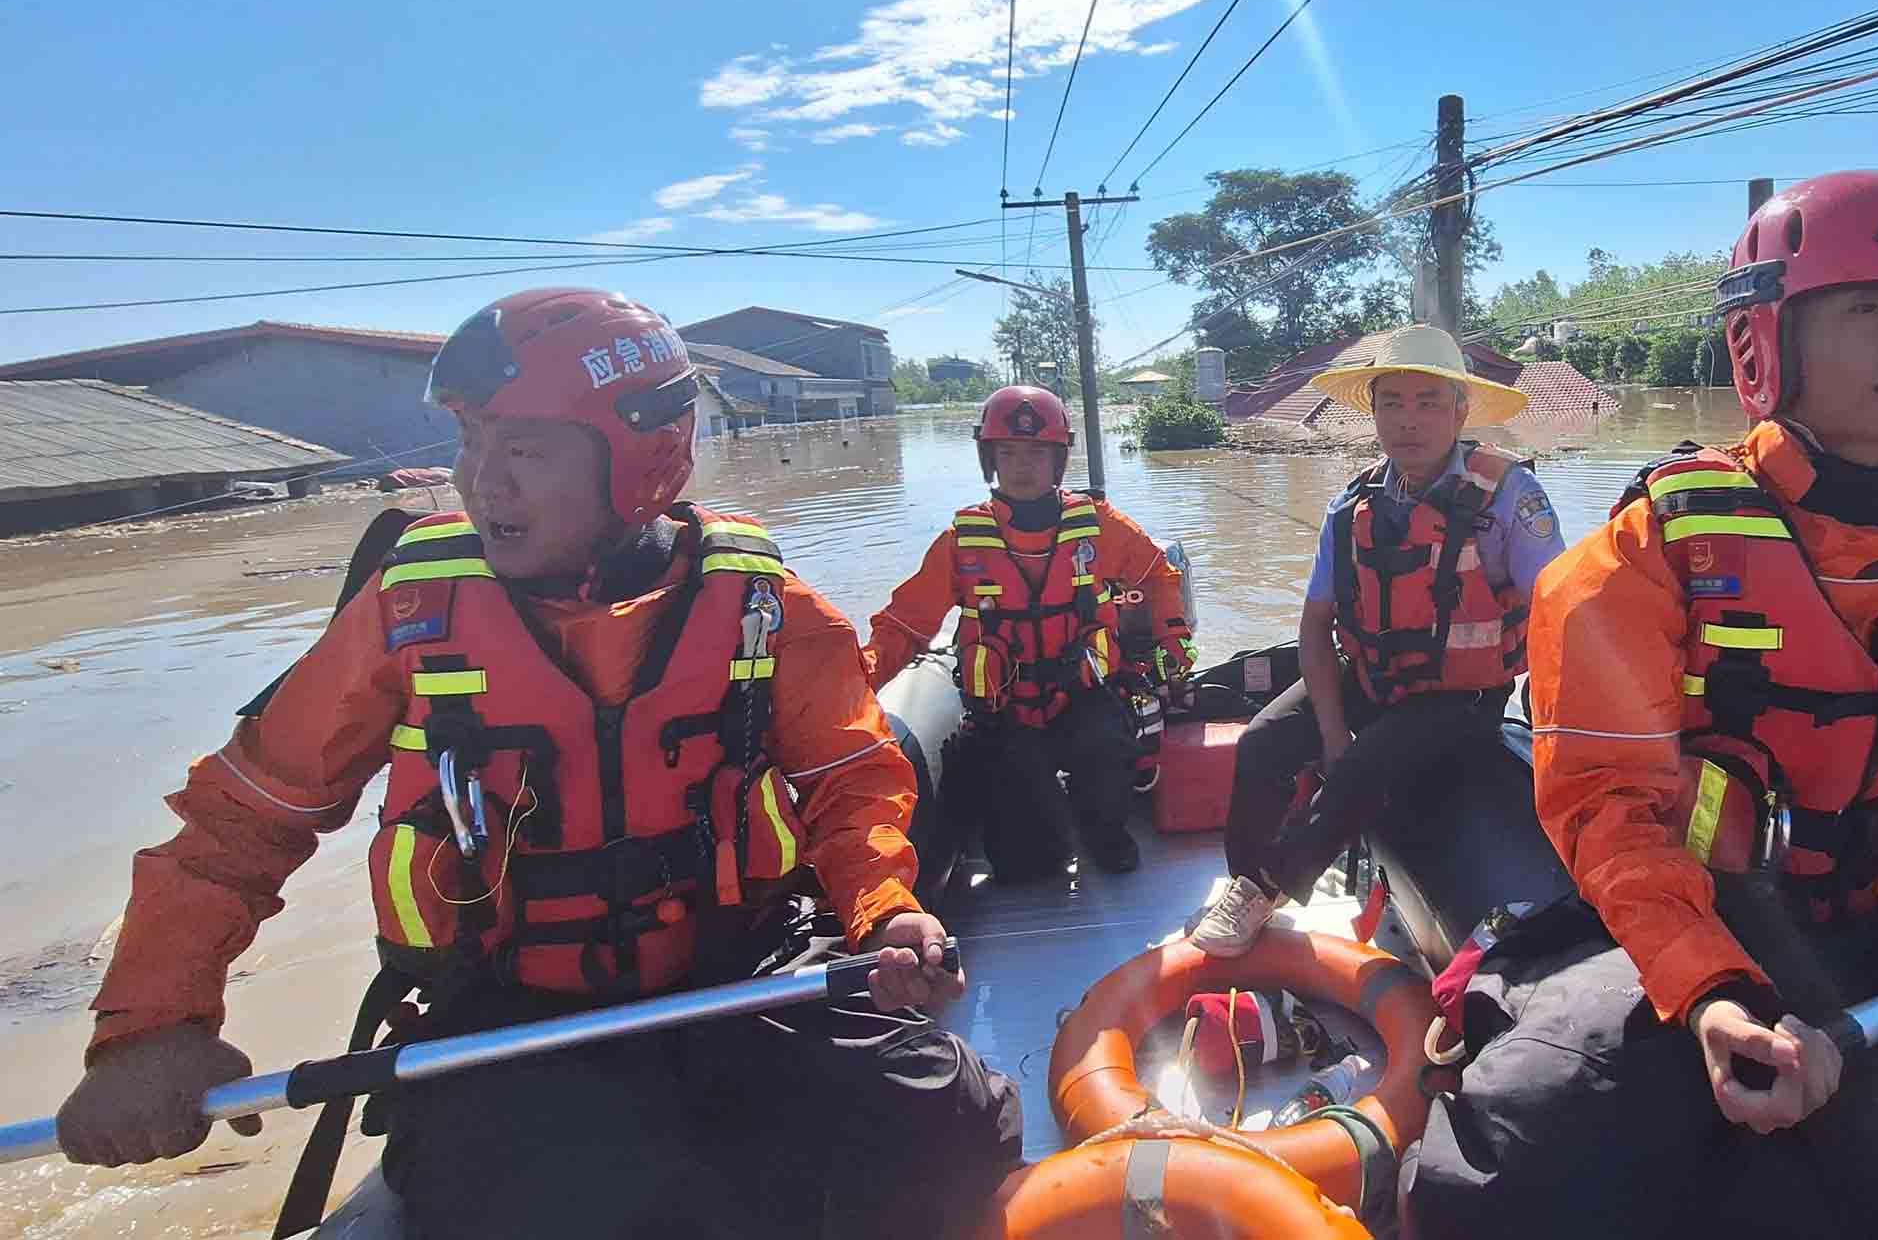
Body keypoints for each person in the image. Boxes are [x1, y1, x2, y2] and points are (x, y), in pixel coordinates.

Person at [55, 289, 1022, 1240]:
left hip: (746, 967)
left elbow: (853, 774)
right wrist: (155, 1025)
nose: (482, 482)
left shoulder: (759, 600)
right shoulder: (409, 611)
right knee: (606, 1200)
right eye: (472, 443)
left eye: (522, 449)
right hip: (512, 1008)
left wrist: (883, 910)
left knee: (955, 1128)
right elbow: (244, 821)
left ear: (640, 455)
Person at [1402, 173, 1878, 1238]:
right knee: (1514, 1165)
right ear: (1764, 337)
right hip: (1696, 923)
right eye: (1869, 308)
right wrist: (1715, 992)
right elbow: (1606, 807)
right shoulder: (1631, 562)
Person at [1190, 325, 1568, 956]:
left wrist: (1562, 730)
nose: (1408, 421)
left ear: (1460, 409)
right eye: (1391, 402)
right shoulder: (1351, 505)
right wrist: (1333, 735)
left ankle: (1267, 885)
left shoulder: (1509, 497)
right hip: (1370, 675)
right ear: (1373, 411)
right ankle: (1246, 881)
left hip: (1461, 699)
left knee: (1368, 767)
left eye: (1427, 402)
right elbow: (1315, 626)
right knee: (1261, 743)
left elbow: (1559, 613)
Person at [864, 385, 1194, 879]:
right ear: (989, 458)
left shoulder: (1100, 525)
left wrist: (1173, 644)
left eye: (1037, 452)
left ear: (1058, 460)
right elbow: (904, 625)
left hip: (1085, 694)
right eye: (1009, 452)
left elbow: (1158, 572)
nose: (1022, 465)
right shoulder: (961, 542)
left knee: (1107, 748)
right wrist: (855, 690)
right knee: (1027, 869)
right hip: (1005, 710)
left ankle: (1103, 833)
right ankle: (1042, 835)